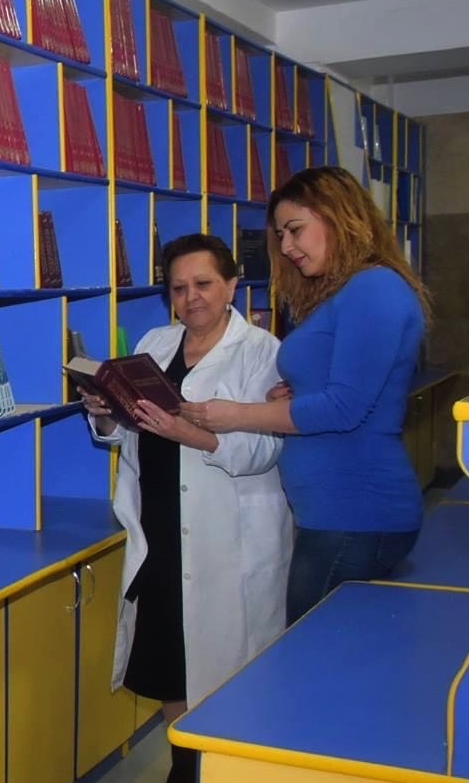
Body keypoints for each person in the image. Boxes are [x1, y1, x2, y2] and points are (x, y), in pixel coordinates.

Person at [87, 233, 291, 783]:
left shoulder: (262, 352)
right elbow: (130, 432)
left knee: (228, 658)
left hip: (227, 530)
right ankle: (184, 763)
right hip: (159, 524)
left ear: (231, 285)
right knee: (169, 655)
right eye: (178, 288)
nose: (191, 297)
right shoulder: (154, 344)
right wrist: (107, 415)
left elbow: (265, 449)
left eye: (203, 284)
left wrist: (190, 435)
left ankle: (232, 770)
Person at [181, 167, 430, 624]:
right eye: (281, 235)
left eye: (296, 230)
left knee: (315, 654)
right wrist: (299, 390)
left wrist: (236, 414)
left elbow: (344, 409)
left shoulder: (374, 288)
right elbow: (349, 385)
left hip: (356, 513)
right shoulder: (348, 292)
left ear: (339, 217)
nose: (287, 247)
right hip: (334, 516)